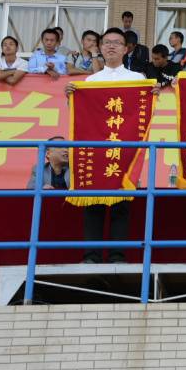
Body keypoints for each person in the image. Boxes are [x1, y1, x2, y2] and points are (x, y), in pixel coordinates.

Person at [64, 28, 148, 263]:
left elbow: (143, 113)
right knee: (94, 203)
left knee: (121, 204)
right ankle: (91, 255)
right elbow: (81, 116)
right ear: (100, 48)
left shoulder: (137, 79)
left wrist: (152, 94)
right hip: (98, 150)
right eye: (107, 42)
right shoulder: (91, 81)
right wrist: (70, 98)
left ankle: (117, 255)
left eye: (117, 42)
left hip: (124, 150)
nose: (111, 46)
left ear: (125, 49)